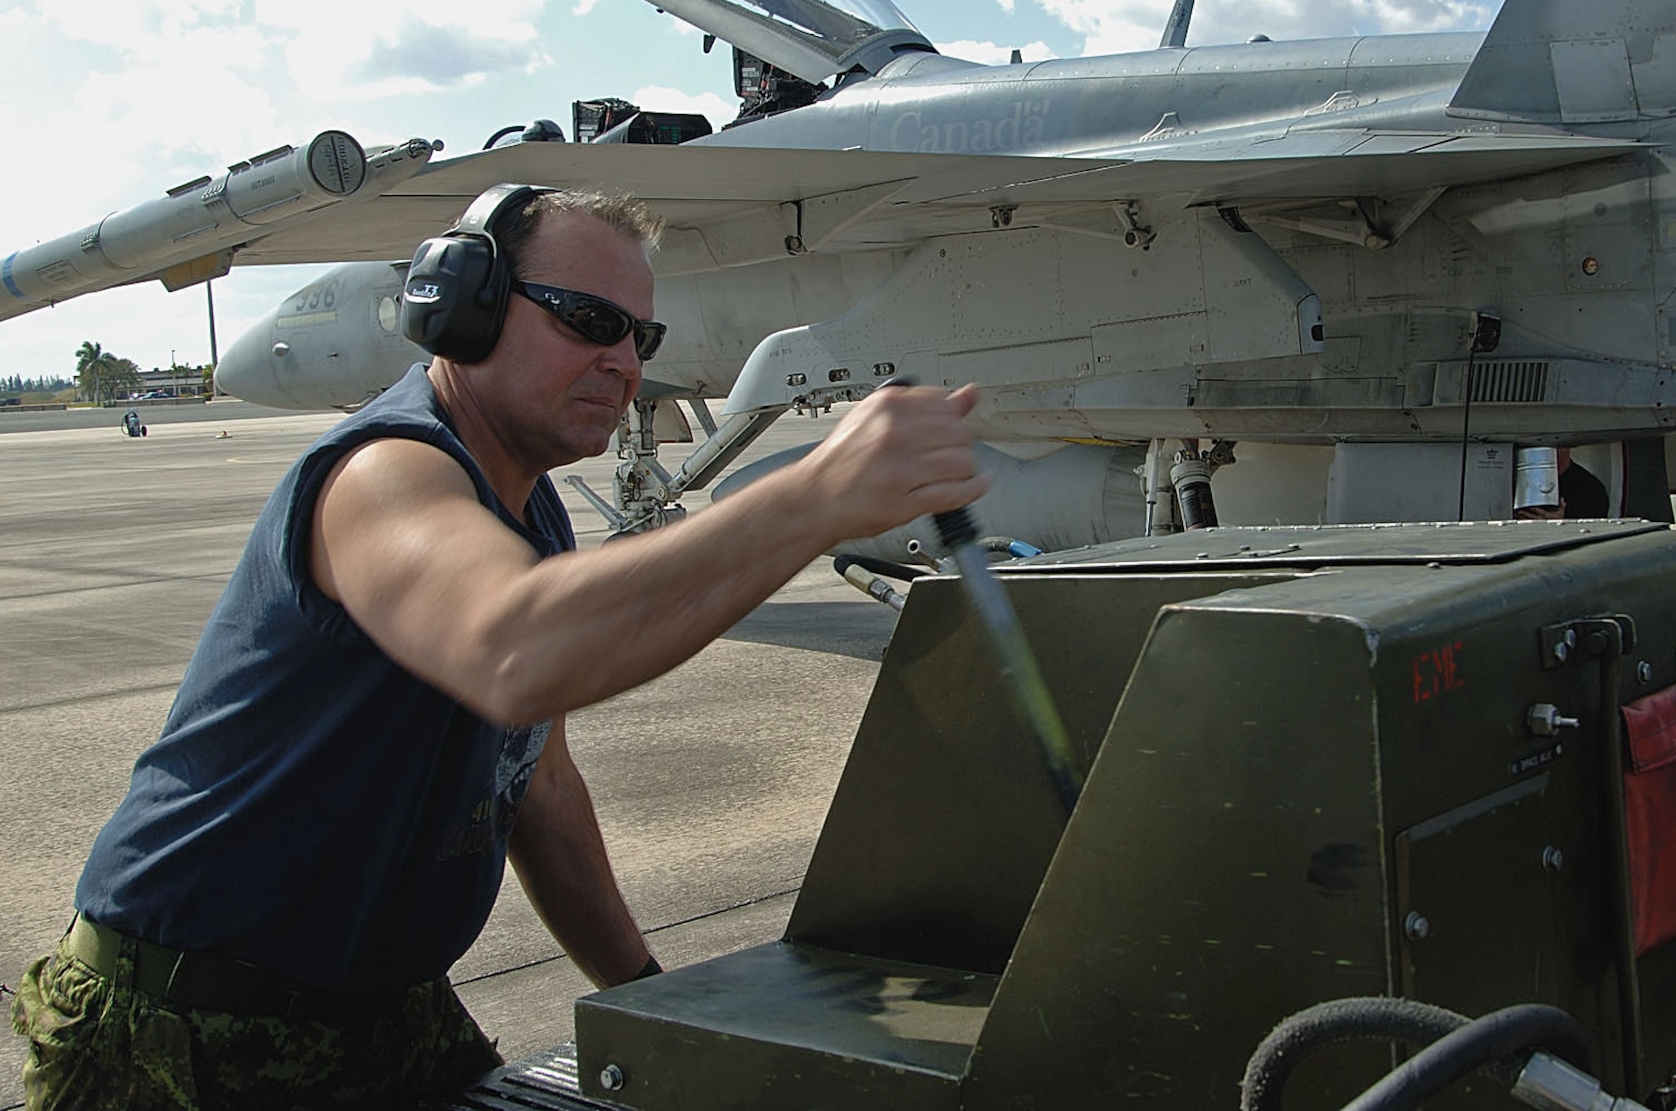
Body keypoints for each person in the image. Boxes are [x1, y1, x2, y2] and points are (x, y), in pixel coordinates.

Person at [9, 185, 984, 1110]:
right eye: (587, 320)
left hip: (384, 1011)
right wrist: (815, 496)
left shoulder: (529, 511)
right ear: (461, 312)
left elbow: (538, 790)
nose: (623, 362)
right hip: (186, 1027)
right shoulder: (385, 470)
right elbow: (511, 651)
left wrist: (647, 996)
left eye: (637, 336)